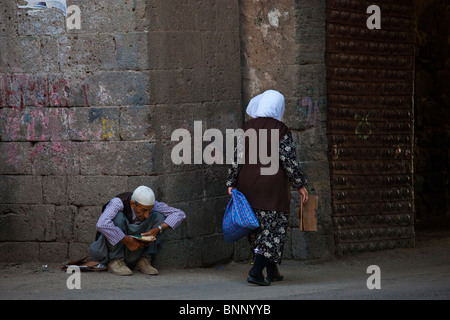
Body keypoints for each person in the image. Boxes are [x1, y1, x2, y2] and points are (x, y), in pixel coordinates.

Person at [226, 89, 308, 286]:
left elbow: (237, 157)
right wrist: (300, 185)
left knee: (257, 228)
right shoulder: (280, 129)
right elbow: (288, 160)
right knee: (273, 230)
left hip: (248, 187)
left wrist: (231, 182)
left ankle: (272, 271)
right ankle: (255, 272)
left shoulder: (247, 128)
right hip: (271, 189)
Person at [89, 185, 186, 276]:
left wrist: (158, 229)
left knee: (159, 217)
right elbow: (101, 224)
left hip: (136, 250)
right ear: (132, 204)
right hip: (113, 249)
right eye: (143, 210)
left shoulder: (152, 205)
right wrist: (126, 240)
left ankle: (144, 261)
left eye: (149, 210)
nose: (147, 215)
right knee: (117, 217)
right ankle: (115, 261)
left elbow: (179, 213)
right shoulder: (118, 202)